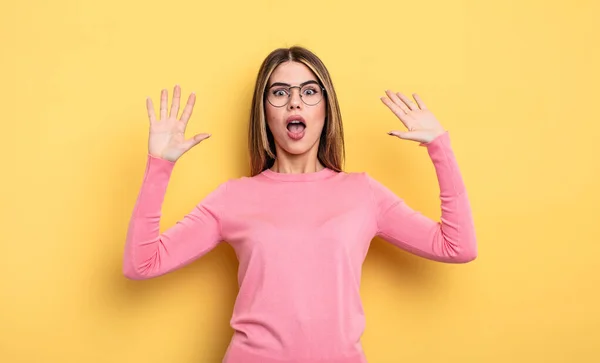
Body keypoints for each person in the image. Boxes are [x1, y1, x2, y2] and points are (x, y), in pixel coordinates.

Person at [122, 46, 477, 363]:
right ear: (264, 111)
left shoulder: (363, 193)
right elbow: (142, 263)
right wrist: (160, 165)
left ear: (326, 107)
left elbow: (457, 246)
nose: (295, 102)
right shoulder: (233, 197)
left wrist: (439, 147)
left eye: (309, 92)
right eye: (279, 92)